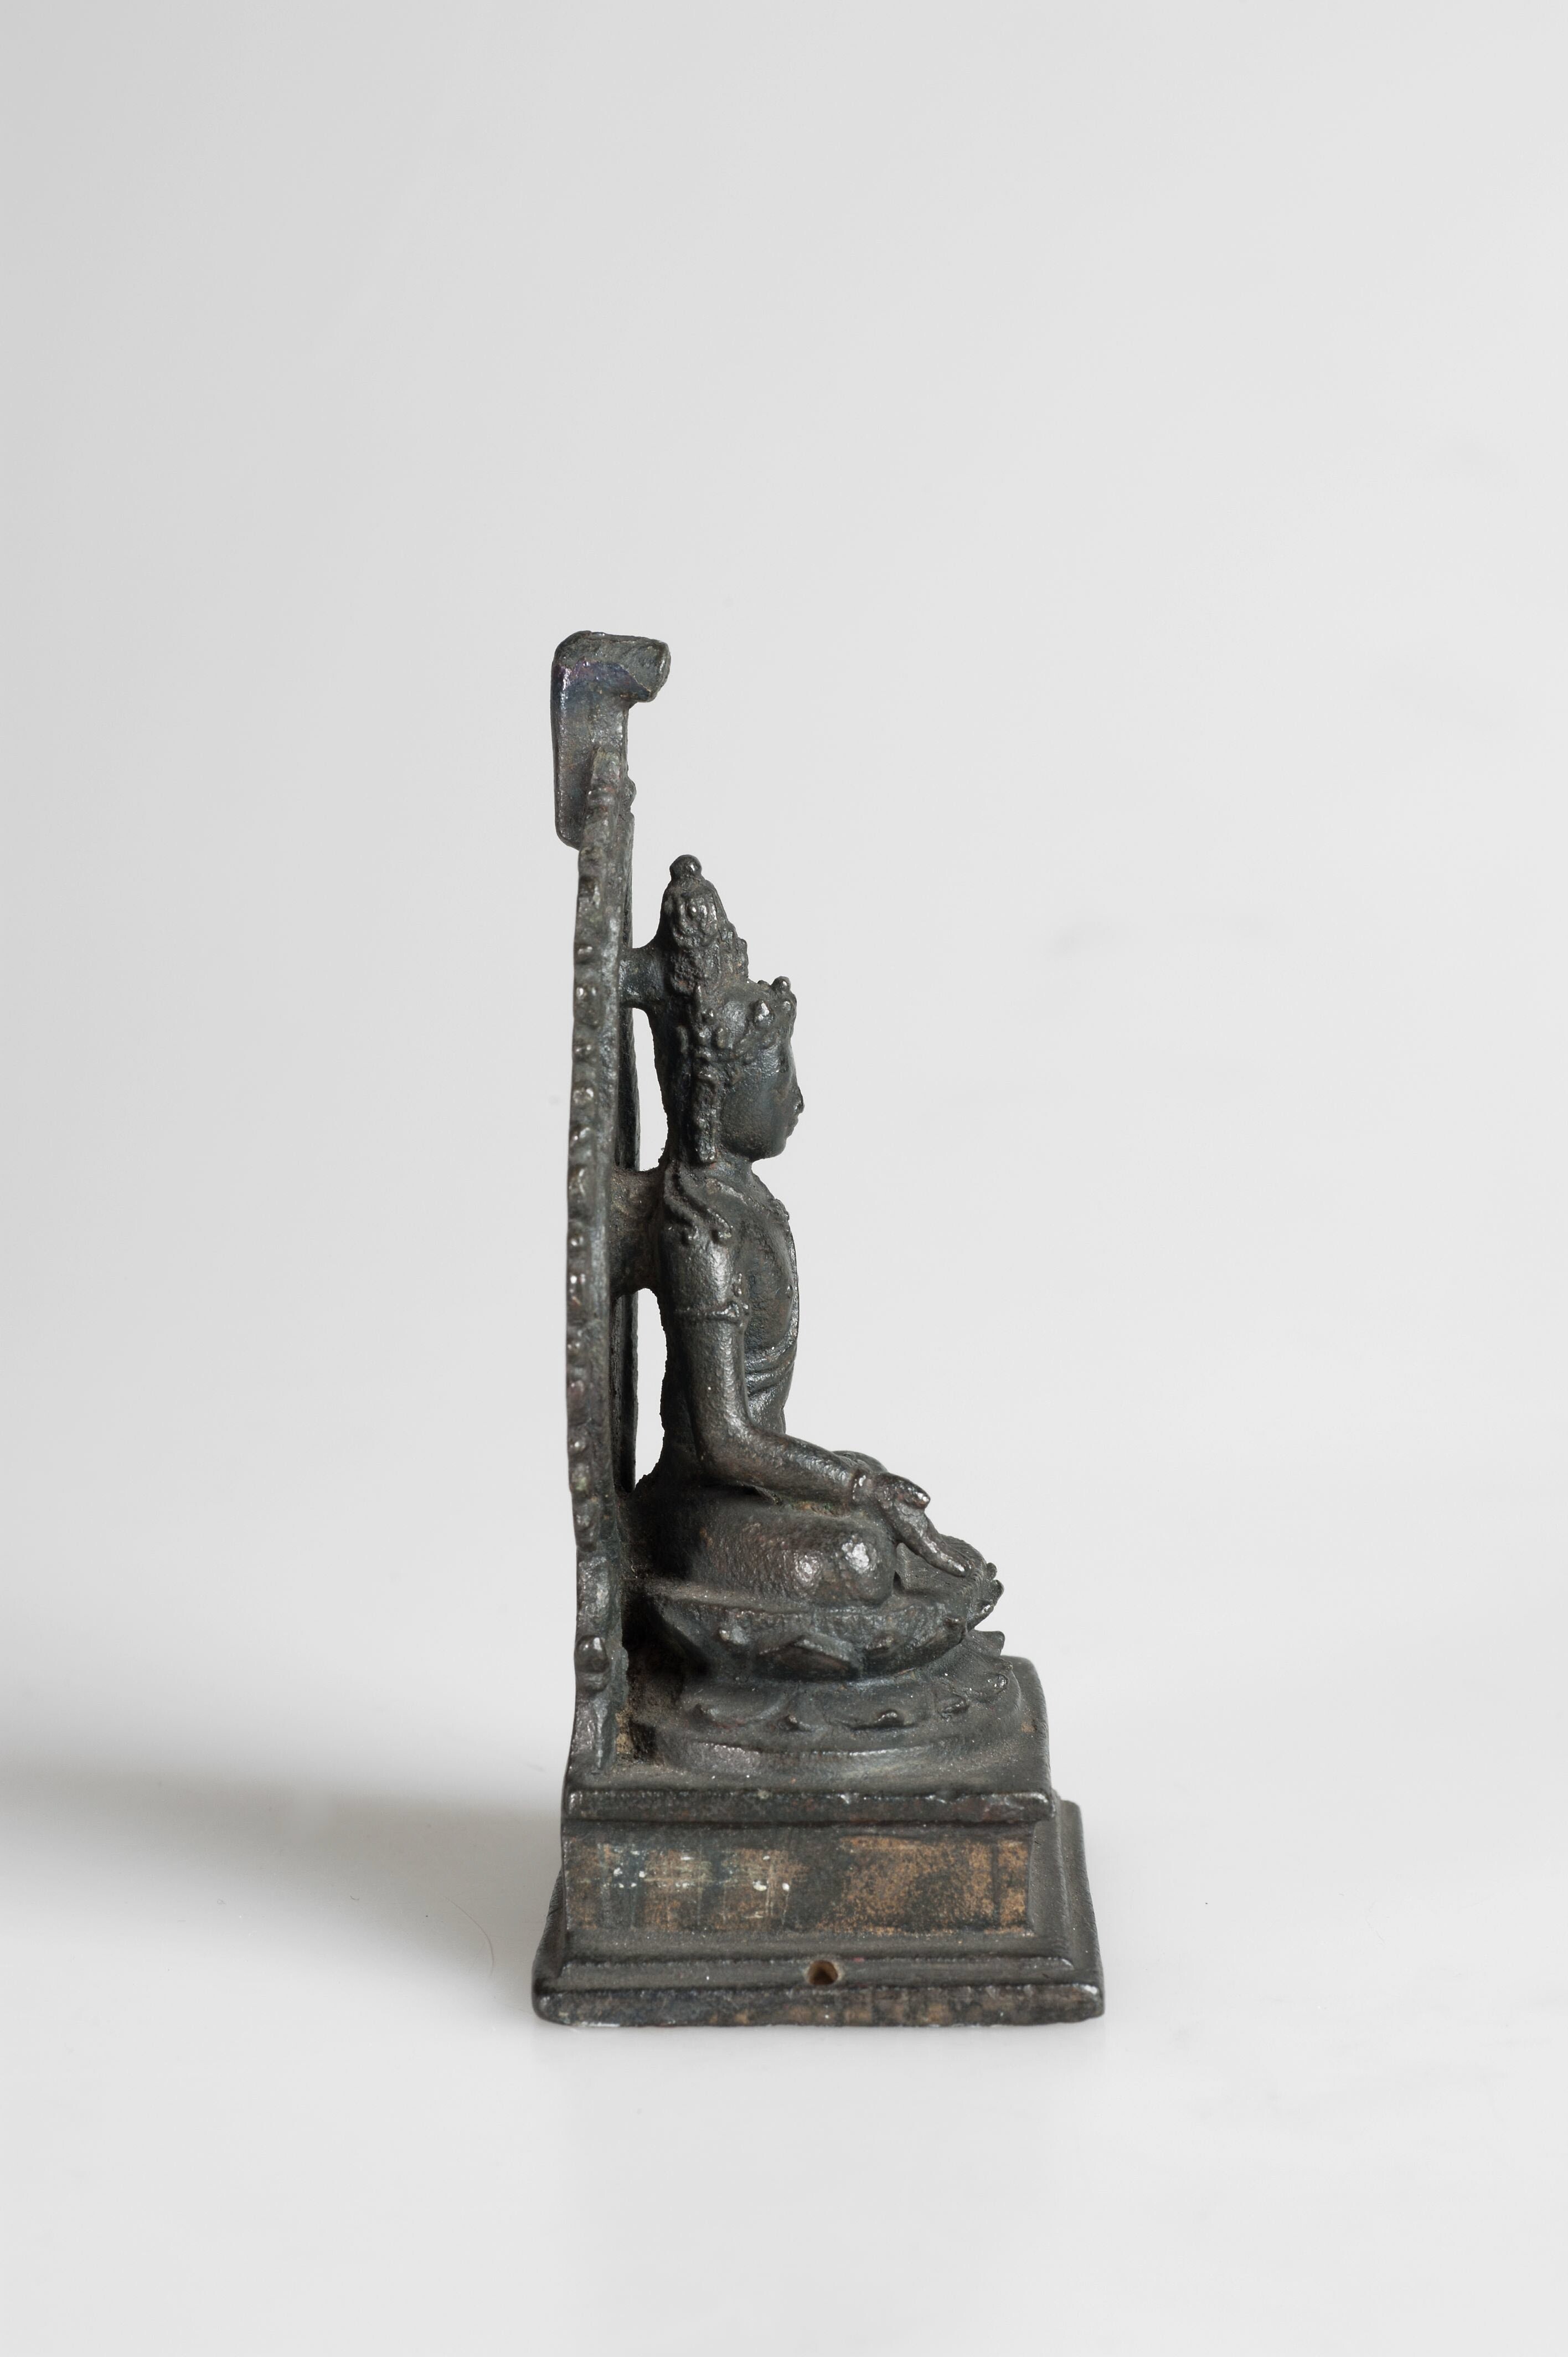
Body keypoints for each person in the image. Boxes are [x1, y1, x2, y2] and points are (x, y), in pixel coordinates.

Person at [630, 857, 1000, 1681]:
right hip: (701, 1508)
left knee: (893, 1527)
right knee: (864, 1560)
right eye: (781, 1079)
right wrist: (856, 1490)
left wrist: (859, 1486)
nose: (797, 1100)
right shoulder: (702, 1230)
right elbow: (724, 1437)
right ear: (719, 1096)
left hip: (752, 1489)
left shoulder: (743, 1200)